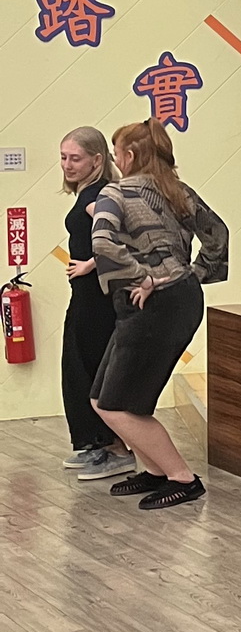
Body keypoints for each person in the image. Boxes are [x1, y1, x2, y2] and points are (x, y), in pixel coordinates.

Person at [89, 121, 229, 511]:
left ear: (129, 156)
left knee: (114, 404)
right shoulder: (178, 191)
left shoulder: (114, 193)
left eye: (116, 153)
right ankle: (154, 471)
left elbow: (102, 242)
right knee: (103, 398)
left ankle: (182, 478)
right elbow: (218, 234)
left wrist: (146, 277)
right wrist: (191, 275)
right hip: (174, 301)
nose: (116, 160)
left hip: (154, 306)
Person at [57, 127, 134, 482]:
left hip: (98, 299)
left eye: (75, 158)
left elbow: (124, 237)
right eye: (63, 157)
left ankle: (115, 449)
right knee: (79, 365)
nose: (67, 165)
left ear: (97, 160)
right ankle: (98, 444)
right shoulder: (89, 192)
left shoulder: (98, 194)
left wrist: (91, 263)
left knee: (90, 367)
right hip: (87, 296)